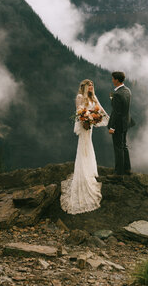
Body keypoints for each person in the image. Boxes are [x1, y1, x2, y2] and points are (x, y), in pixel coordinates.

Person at [60, 79, 109, 214]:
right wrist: (86, 117)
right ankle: (83, 172)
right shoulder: (80, 97)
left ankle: (89, 170)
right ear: (84, 87)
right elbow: (79, 112)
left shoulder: (93, 97)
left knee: (89, 146)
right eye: (90, 85)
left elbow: (100, 111)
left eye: (93, 85)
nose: (92, 87)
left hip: (90, 126)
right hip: (84, 126)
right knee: (83, 147)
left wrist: (97, 118)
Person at [108, 71, 134, 176]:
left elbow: (116, 112)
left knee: (118, 148)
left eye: (113, 79)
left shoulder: (117, 94)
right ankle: (127, 169)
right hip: (126, 123)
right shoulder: (127, 90)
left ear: (117, 80)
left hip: (118, 124)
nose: (112, 80)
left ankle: (118, 174)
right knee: (124, 146)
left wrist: (112, 127)